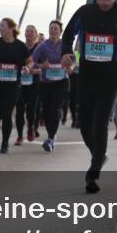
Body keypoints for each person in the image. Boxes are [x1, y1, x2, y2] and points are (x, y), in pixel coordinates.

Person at [62, 0, 117, 194]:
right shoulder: (84, 13)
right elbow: (68, 35)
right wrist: (67, 52)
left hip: (109, 77)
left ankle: (93, 174)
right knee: (84, 123)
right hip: (86, 74)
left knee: (100, 123)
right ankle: (99, 155)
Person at [0, 18, 31, 154]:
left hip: (13, 86)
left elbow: (30, 61)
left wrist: (27, 68)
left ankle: (5, 143)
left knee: (7, 113)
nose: (0, 28)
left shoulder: (20, 46)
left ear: (11, 28)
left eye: (2, 26)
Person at [32, 20, 69, 153]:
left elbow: (74, 62)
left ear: (60, 31)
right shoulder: (42, 46)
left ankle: (50, 138)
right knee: (46, 112)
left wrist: (69, 65)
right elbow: (31, 61)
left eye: (56, 29)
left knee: (55, 109)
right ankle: (51, 135)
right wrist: (42, 66)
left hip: (61, 82)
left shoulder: (65, 45)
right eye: (51, 28)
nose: (53, 31)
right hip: (46, 83)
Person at [17, 24, 42, 145]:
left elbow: (43, 68)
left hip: (34, 83)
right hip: (20, 83)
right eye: (27, 31)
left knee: (31, 109)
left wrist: (32, 70)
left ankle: (31, 127)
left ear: (35, 35)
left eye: (31, 31)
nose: (28, 33)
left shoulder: (39, 49)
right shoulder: (20, 47)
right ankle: (19, 136)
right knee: (19, 109)